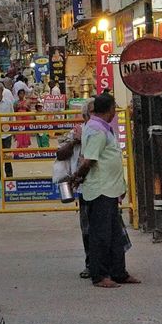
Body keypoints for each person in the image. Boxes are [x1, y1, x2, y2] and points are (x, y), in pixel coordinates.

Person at [71, 93, 140, 288]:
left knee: (115, 234)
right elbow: (90, 160)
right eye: (113, 109)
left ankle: (119, 272)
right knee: (101, 234)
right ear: (109, 109)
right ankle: (99, 275)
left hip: (110, 188)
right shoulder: (96, 130)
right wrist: (77, 176)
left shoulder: (101, 128)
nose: (114, 113)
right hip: (100, 189)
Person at [56, 98, 94, 278]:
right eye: (93, 113)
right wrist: (74, 142)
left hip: (102, 186)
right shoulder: (77, 132)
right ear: (86, 116)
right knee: (87, 229)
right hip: (84, 187)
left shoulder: (102, 132)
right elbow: (60, 154)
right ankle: (91, 263)